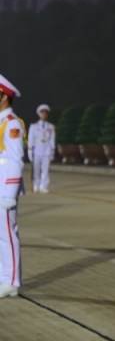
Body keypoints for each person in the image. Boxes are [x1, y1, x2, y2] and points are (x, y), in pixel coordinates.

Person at [0, 73, 25, 297]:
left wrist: (10, 192)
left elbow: (16, 160)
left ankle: (12, 281)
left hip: (5, 187)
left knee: (8, 233)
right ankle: (3, 277)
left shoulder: (11, 124)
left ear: (4, 97)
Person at [27, 104, 56, 194]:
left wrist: (52, 151)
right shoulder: (33, 126)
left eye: (45, 113)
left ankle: (44, 186)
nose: (44, 115)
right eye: (42, 113)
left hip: (46, 148)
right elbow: (31, 139)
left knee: (45, 169)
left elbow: (52, 139)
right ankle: (36, 185)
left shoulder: (51, 127)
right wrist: (30, 151)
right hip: (37, 148)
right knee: (36, 168)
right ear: (39, 114)